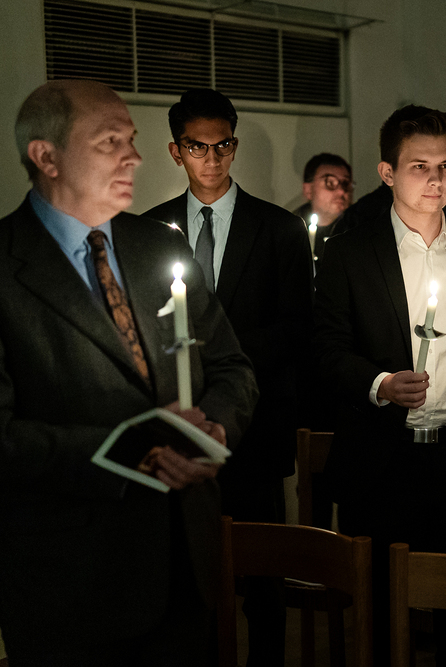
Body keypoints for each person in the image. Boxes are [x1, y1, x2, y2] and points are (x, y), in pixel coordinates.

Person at [0, 80, 257, 666]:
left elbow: (230, 365)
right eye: (109, 141)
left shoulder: (156, 245)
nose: (134, 157)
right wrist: (128, 449)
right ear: (46, 157)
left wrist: (214, 428)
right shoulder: (7, 265)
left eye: (132, 139)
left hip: (185, 559)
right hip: (71, 578)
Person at [313, 104, 446, 666]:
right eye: (420, 166)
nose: (436, 179)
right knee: (382, 616)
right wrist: (380, 383)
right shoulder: (350, 251)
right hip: (381, 458)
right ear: (388, 173)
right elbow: (326, 350)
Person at [143, 88, 313, 665]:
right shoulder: (150, 230)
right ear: (176, 151)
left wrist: (214, 350)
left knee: (263, 581)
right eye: (198, 147)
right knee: (193, 578)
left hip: (256, 425)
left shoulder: (280, 229)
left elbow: (298, 328)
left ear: (234, 147)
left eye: (222, 146)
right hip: (180, 425)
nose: (211, 158)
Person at [293, 152, 354, 264]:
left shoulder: (360, 231)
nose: (341, 191)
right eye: (330, 182)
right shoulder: (289, 234)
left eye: (345, 183)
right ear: (308, 190)